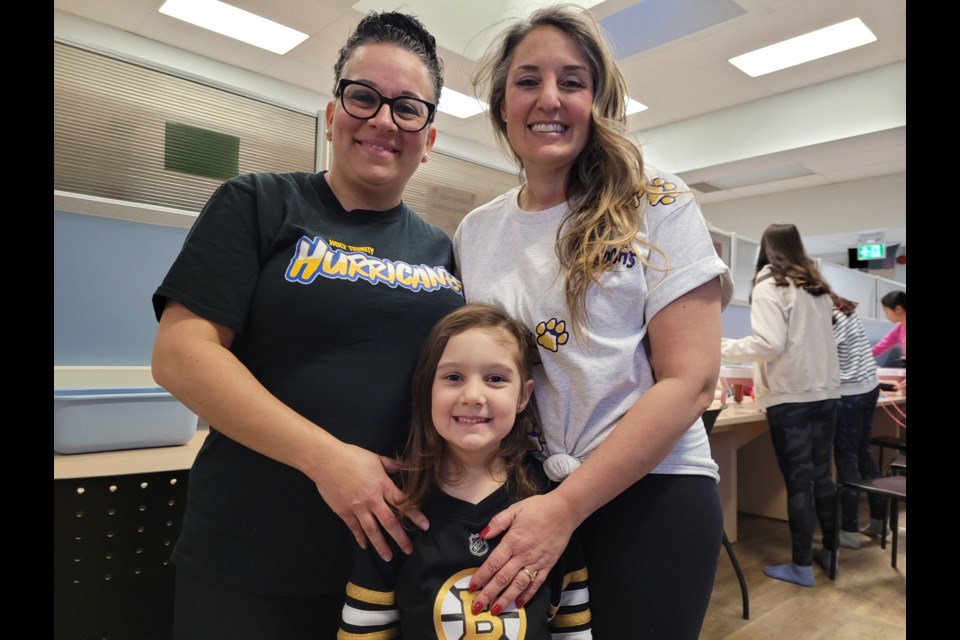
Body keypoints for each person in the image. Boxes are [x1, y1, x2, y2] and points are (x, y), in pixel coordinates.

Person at [150, 12, 465, 638]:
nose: (382, 119)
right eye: (363, 96)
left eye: (408, 107)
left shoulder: (445, 252)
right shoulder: (258, 203)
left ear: (427, 139)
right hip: (252, 559)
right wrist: (328, 461)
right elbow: (182, 354)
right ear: (331, 114)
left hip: (390, 566)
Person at [453, 6, 733, 637]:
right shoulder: (476, 231)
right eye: (527, 80)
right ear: (501, 103)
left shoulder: (655, 199)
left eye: (572, 82)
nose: (549, 98)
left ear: (597, 100)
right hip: (525, 498)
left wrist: (566, 509)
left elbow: (689, 381)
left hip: (651, 492)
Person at [338, 303, 592, 639]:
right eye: (453, 377)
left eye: (496, 378)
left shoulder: (548, 499)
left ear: (523, 396)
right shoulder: (397, 501)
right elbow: (365, 625)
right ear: (428, 387)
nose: (473, 395)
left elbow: (571, 620)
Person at [720, 223, 841, 587]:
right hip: (825, 394)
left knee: (799, 482)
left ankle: (801, 566)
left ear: (765, 249)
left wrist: (718, 344)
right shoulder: (816, 287)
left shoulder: (770, 283)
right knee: (822, 477)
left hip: (792, 398)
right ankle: (830, 554)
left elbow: (769, 345)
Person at [830, 294, 887, 547]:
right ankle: (879, 520)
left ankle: (849, 531)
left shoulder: (828, 316)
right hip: (869, 387)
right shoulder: (845, 309)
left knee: (846, 458)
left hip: (850, 392)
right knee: (863, 453)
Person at [872, 290, 906, 368]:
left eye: (886, 311)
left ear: (898, 309)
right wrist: (863, 357)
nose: (886, 315)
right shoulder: (899, 328)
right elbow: (881, 346)